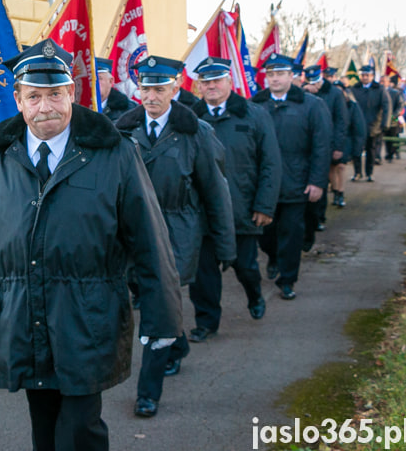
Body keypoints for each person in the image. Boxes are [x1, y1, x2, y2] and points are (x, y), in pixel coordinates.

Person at [0, 39, 182, 450]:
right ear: (18, 99)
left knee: (79, 430)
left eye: (55, 94)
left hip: (88, 316)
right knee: (44, 427)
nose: (46, 107)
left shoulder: (113, 153)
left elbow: (149, 237)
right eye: (34, 96)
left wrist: (162, 318)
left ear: (71, 93)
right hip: (22, 316)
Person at [115, 55, 234, 418]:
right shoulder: (122, 130)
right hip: (133, 233)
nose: (151, 95)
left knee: (156, 304)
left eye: (159, 88)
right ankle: (177, 344)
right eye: (145, 88)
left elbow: (216, 191)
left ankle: (147, 392)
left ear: (175, 88)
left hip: (177, 230)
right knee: (145, 294)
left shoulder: (195, 131)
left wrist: (225, 243)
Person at [189, 57, 281, 335]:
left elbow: (271, 163)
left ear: (230, 82)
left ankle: (255, 296)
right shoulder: (189, 118)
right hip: (201, 213)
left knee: (245, 266)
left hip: (240, 209)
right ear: (199, 86)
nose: (211, 86)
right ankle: (206, 323)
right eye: (206, 82)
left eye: (217, 80)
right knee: (203, 274)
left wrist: (264, 206)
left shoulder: (254, 115)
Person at [251, 54, 331, 300]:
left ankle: (287, 279)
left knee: (292, 233)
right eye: (271, 74)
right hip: (263, 185)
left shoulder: (312, 105)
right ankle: (273, 257)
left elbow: (321, 146)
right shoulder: (255, 105)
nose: (275, 79)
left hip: (296, 181)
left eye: (280, 74)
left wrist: (317, 181)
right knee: (265, 235)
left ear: (291, 76)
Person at [302, 64, 347, 251]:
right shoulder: (302, 92)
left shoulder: (335, 94)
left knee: (321, 179)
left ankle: (319, 217)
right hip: (304, 146)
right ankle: (310, 217)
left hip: (325, 144)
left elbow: (341, 120)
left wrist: (338, 146)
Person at [351, 64, 390, 181]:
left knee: (371, 150)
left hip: (373, 125)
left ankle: (369, 173)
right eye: (363, 75)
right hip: (357, 125)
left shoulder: (379, 89)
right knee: (356, 150)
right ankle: (357, 173)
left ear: (372, 76)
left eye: (367, 75)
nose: (365, 77)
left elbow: (387, 106)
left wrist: (385, 123)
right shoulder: (354, 89)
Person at [332, 80, 367, 207]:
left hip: (345, 140)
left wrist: (357, 147)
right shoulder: (326, 103)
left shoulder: (352, 105)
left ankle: (340, 193)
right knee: (331, 168)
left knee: (341, 166)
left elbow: (359, 127)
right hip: (329, 139)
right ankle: (335, 191)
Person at [96, 57, 135, 122]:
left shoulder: (128, 110)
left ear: (111, 81)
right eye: (90, 78)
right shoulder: (76, 108)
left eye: (99, 78)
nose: (94, 82)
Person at [383, 75, 405, 162]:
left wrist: (395, 115)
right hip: (382, 119)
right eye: (381, 81)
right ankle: (389, 153)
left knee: (393, 136)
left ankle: (392, 153)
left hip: (394, 119)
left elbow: (400, 105)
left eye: (384, 81)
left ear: (388, 82)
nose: (382, 83)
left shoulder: (395, 93)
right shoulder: (378, 92)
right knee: (386, 138)